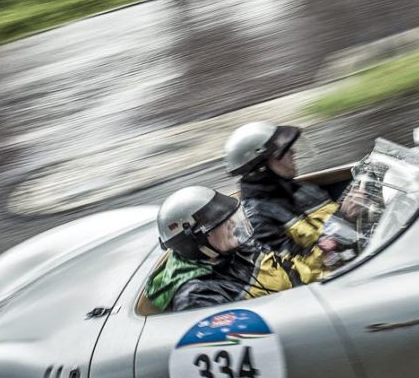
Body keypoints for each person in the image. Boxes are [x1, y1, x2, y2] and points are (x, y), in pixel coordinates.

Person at [145, 186, 326, 312]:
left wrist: (324, 255)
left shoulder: (237, 251)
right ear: (195, 242)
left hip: (310, 301)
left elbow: (291, 272)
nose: (232, 223)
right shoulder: (197, 298)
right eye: (219, 222)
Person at [223, 121, 343, 254]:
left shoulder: (302, 189)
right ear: (261, 167)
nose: (293, 151)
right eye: (283, 150)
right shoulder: (255, 219)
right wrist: (342, 228)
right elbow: (294, 269)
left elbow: (336, 228)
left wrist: (350, 214)